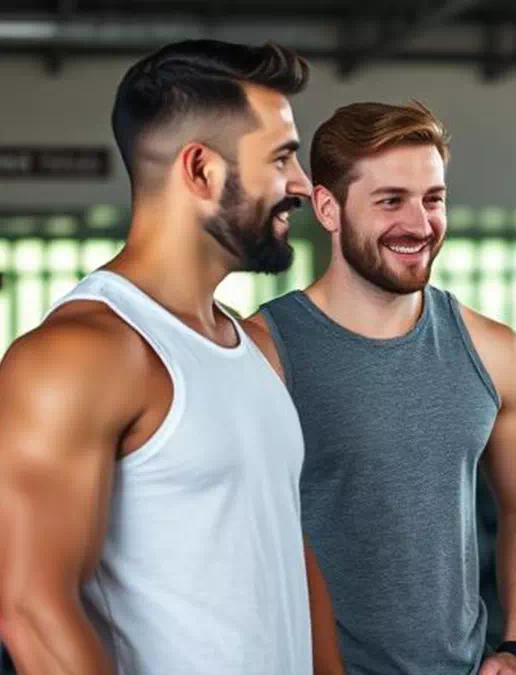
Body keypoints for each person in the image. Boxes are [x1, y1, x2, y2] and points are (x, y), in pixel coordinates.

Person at [0, 40, 343, 675]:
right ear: (201, 170)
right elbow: (34, 612)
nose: (301, 184)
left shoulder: (255, 347)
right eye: (282, 158)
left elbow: (291, 553)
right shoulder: (79, 356)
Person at [249, 101, 516, 675]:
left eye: (433, 199)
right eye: (391, 200)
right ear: (327, 207)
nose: (420, 225)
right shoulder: (261, 354)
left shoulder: (494, 351)